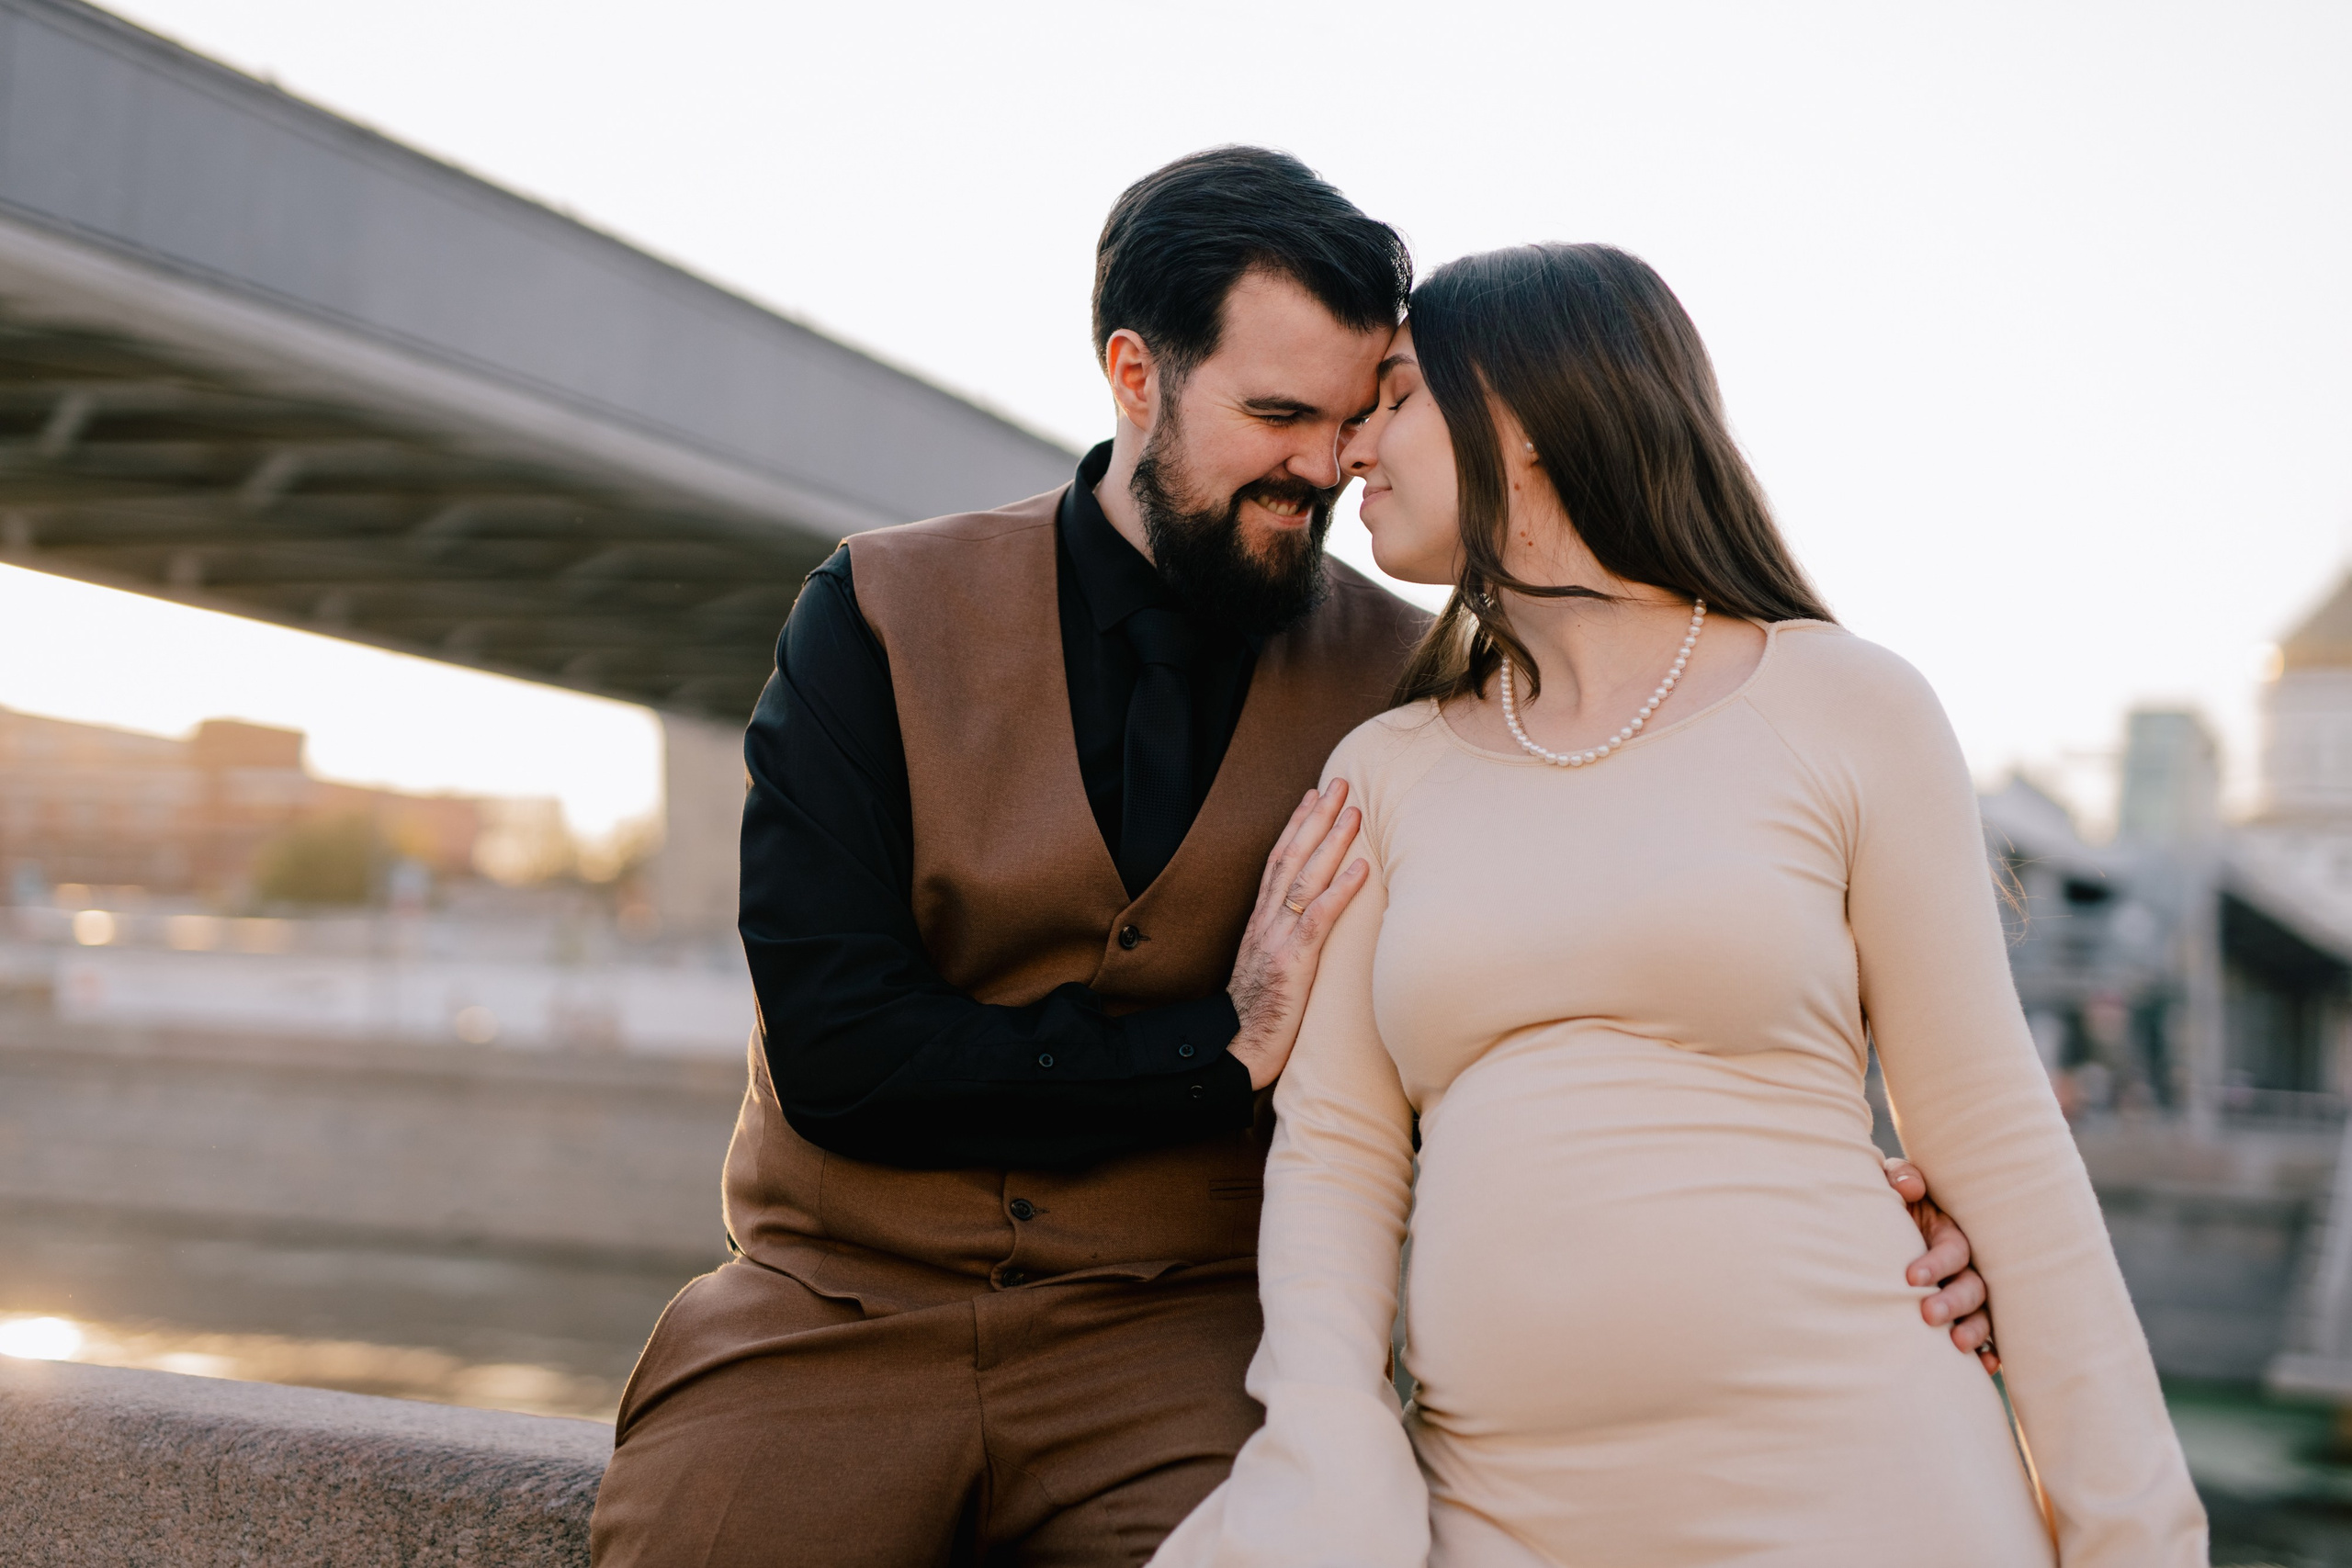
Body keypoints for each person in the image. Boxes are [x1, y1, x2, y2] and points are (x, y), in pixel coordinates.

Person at [591, 152, 1998, 1567]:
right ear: (1135, 376)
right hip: (834, 1309)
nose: (1325, 467)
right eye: (1276, 415)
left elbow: (1570, 987)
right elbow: (842, 1055)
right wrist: (1223, 1047)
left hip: (1185, 1342)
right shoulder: (875, 613)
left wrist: (1847, 1200)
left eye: (1352, 417)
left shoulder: (1422, 690)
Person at [1148, 243, 2206, 1567]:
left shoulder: (1847, 707)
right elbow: (1339, 1159)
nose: (1354, 448)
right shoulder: (1385, 771)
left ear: (1525, 423)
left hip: (1862, 1479)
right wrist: (1327, 1446)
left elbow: (1995, 1136)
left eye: (1399, 397)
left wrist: (2138, 1542)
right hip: (1501, 1510)